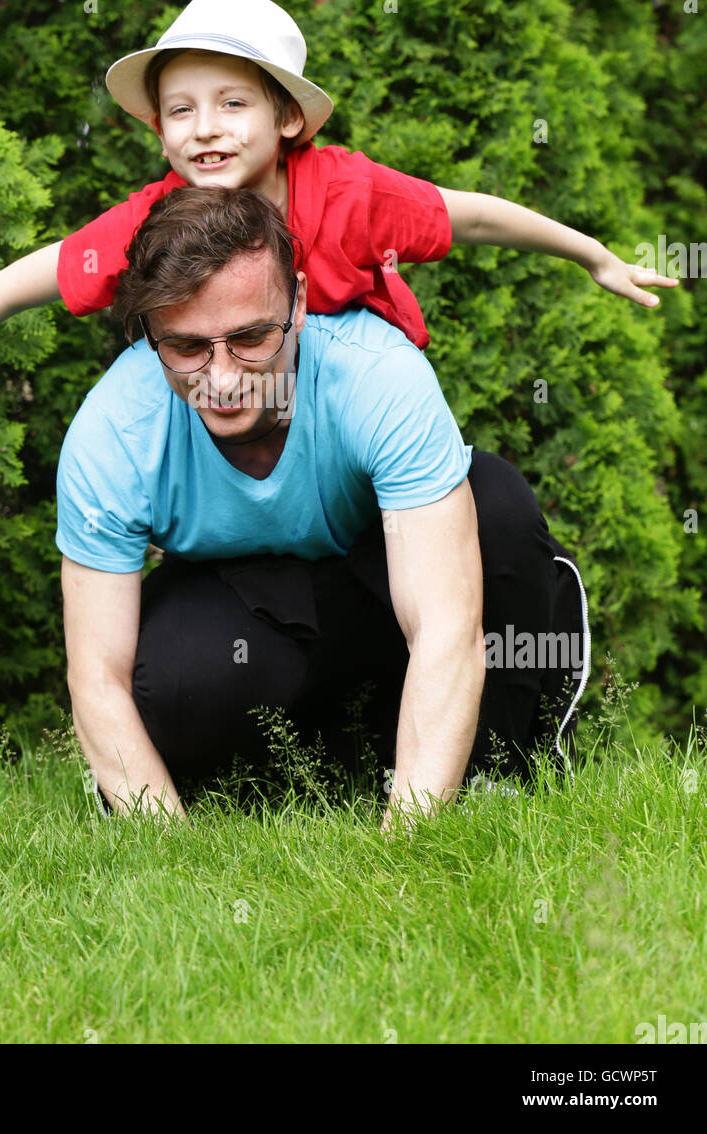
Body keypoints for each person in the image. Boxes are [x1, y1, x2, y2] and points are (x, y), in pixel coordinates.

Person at [0, 0, 676, 424]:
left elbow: (473, 213)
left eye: (232, 103)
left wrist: (590, 252)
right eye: (180, 110)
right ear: (160, 134)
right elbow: (20, 280)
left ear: (285, 117)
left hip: (354, 395)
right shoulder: (155, 221)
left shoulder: (347, 193)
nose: (204, 130)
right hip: (244, 411)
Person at [57, 184, 590, 835]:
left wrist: (407, 848)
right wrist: (165, 845)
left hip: (383, 569)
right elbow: (97, 677)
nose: (221, 380)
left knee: (493, 507)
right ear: (148, 335)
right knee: (168, 689)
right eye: (188, 347)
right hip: (248, 598)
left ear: (301, 303)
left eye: (250, 337)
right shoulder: (111, 430)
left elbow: (445, 627)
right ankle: (353, 757)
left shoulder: (378, 376)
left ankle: (491, 770)